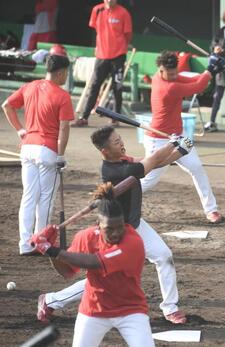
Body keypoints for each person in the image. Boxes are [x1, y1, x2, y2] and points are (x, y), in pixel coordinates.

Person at [37, 126, 191, 324]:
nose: (122, 143)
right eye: (117, 142)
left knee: (164, 256)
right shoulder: (118, 170)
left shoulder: (125, 162)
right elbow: (152, 161)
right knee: (106, 277)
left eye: (120, 139)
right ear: (105, 151)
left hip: (135, 224)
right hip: (117, 232)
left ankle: (170, 308)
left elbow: (157, 162)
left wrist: (182, 150)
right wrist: (173, 142)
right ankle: (51, 300)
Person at [31, 189, 155, 346]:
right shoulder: (87, 237)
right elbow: (67, 272)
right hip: (94, 310)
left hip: (130, 310)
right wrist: (49, 249)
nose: (116, 233)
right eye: (109, 228)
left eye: (120, 227)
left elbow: (94, 262)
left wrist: (53, 250)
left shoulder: (133, 242)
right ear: (98, 225)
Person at [140, 51, 224, 224]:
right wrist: (210, 70)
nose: (173, 77)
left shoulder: (168, 78)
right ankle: (117, 197)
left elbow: (192, 80)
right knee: (148, 181)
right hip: (159, 139)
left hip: (179, 136)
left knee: (197, 168)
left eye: (174, 73)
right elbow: (198, 87)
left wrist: (210, 70)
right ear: (160, 70)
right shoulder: (168, 87)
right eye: (169, 74)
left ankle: (211, 210)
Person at [2, 53, 73, 255]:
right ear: (60, 73)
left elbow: (6, 105)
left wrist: (19, 129)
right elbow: (64, 129)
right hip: (48, 150)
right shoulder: (62, 96)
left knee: (29, 196)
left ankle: (25, 244)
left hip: (27, 148)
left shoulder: (30, 86)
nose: (66, 76)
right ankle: (39, 242)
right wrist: (61, 155)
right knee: (45, 199)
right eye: (66, 73)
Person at [73, 0, 132, 127]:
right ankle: (84, 117)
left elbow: (127, 35)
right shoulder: (97, 10)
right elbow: (96, 29)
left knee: (117, 87)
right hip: (101, 56)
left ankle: (115, 118)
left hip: (118, 56)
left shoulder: (123, 13)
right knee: (94, 86)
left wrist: (120, 47)